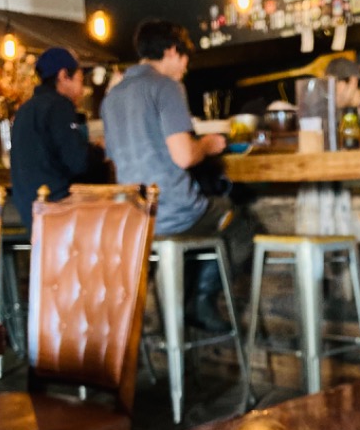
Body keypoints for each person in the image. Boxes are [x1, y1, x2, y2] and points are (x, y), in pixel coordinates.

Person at [101, 19, 250, 333]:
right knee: (235, 222)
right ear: (170, 51)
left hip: (136, 220)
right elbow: (184, 156)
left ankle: (174, 313)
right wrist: (209, 145)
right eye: (184, 58)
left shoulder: (112, 97)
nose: (185, 67)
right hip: (173, 213)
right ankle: (200, 304)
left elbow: (113, 159)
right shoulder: (165, 86)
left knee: (200, 229)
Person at [10, 47, 102, 229]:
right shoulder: (59, 106)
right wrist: (100, 151)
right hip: (58, 210)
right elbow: (78, 161)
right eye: (80, 80)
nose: (82, 90)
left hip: (30, 211)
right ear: (63, 75)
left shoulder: (25, 109)